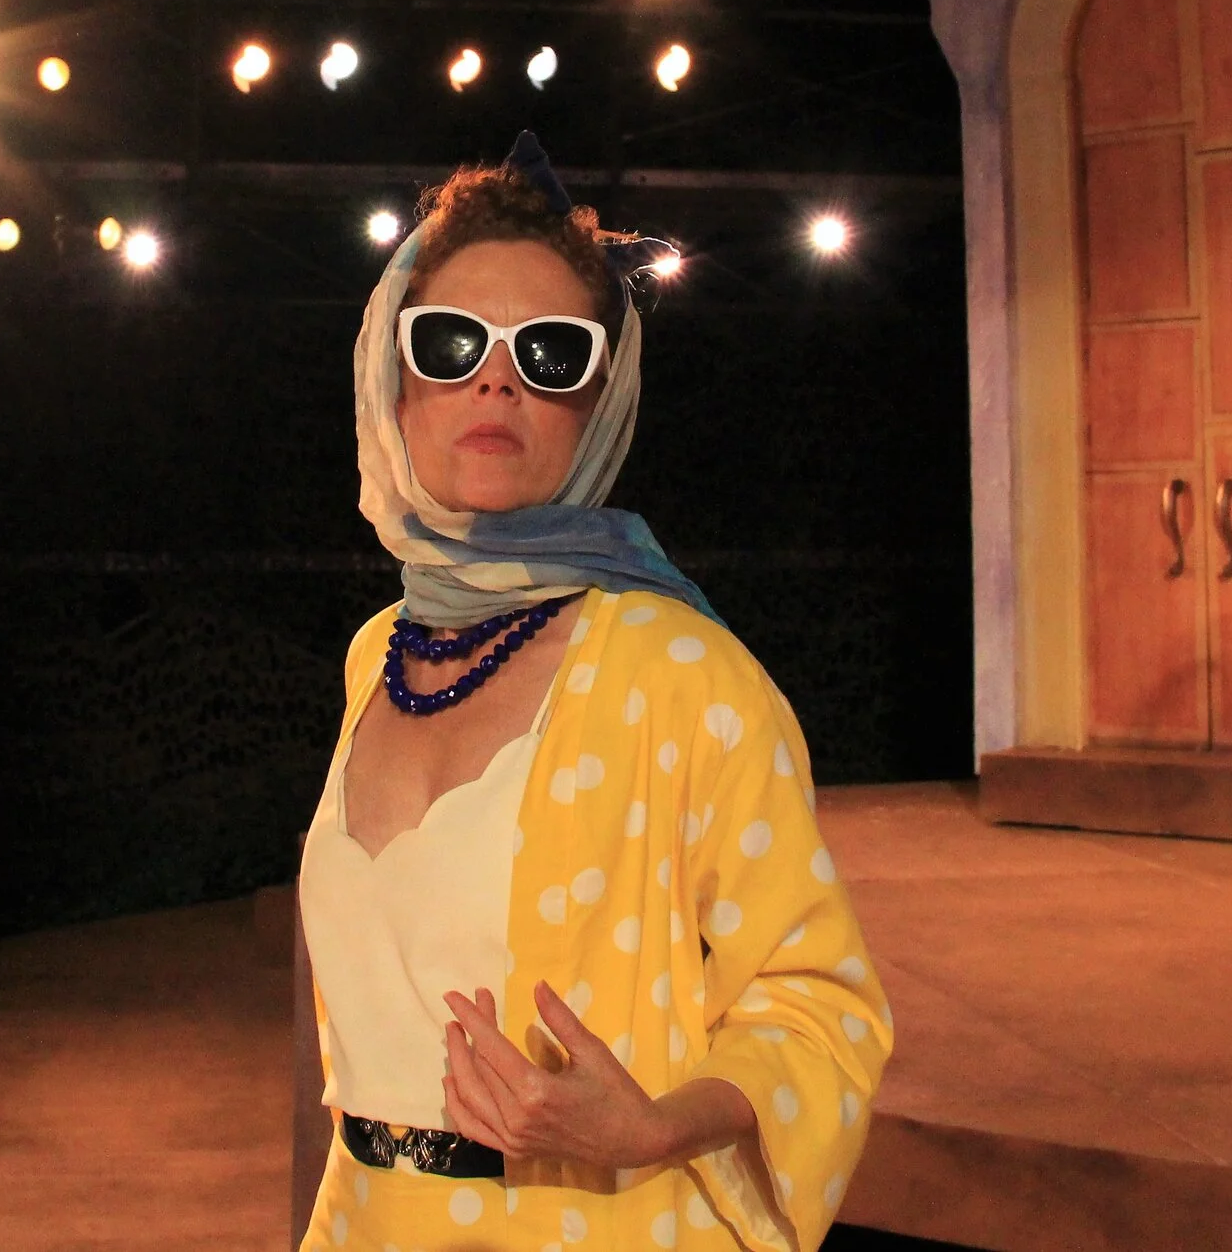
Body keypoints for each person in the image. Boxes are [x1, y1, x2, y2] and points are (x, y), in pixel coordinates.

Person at [295, 133, 891, 1250]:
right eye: (451, 341)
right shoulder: (378, 654)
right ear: (391, 378)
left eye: (551, 354)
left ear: (599, 403)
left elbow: (818, 1001)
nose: (495, 379)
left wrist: (656, 1126)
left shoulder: (682, 674)